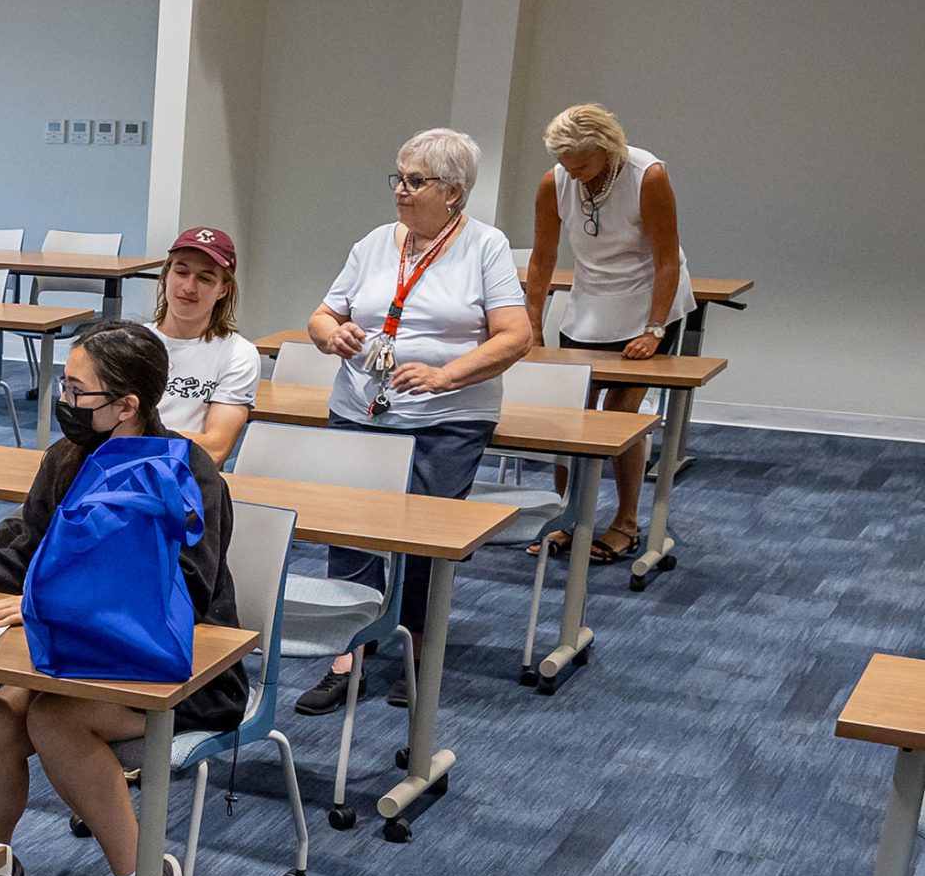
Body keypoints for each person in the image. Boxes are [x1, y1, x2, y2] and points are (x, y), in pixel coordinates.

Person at [0, 323, 248, 876]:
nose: (63, 401)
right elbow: (26, 550)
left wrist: (50, 603)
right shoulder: (67, 459)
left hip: (175, 667)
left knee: (54, 720)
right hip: (71, 654)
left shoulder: (186, 472)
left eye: (75, 390)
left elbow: (185, 593)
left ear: (125, 406)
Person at [296, 127, 531, 716]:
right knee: (348, 533)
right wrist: (333, 335)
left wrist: (445, 375)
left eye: (415, 181)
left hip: (445, 417)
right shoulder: (376, 242)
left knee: (423, 541)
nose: (400, 191)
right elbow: (323, 314)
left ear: (453, 193)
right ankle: (345, 658)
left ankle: (418, 653)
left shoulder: (486, 246)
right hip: (359, 407)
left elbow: (516, 336)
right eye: (397, 177)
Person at [524, 104, 692, 565]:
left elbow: (666, 261)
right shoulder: (554, 181)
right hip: (589, 304)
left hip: (647, 304)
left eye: (580, 164)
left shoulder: (647, 175)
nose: (571, 173)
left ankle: (626, 523)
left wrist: (655, 329)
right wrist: (533, 323)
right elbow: (541, 259)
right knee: (569, 419)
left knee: (620, 418)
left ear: (607, 149)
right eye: (564, 163)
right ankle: (568, 517)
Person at [149, 226, 260, 466]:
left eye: (205, 278)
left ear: (223, 289)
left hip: (188, 483)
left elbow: (215, 449)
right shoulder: (131, 342)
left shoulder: (238, 354)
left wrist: (133, 438)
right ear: (166, 274)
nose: (189, 287)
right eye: (181, 272)